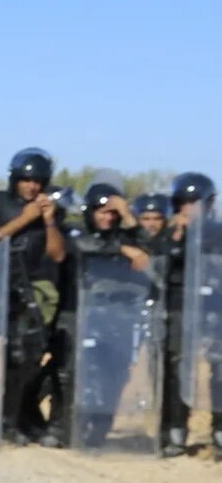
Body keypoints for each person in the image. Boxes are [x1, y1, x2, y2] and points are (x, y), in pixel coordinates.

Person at [0, 147, 69, 447]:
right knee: (2, 359)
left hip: (36, 294)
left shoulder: (52, 210)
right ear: (15, 179)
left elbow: (57, 254)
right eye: (27, 180)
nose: (33, 187)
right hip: (0, 289)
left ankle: (18, 418)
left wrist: (47, 221)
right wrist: (26, 217)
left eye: (39, 182)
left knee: (29, 359)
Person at [61, 183, 157, 449]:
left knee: (116, 377)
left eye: (112, 214)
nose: (108, 218)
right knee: (81, 374)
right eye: (102, 212)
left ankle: (98, 433)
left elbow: (151, 250)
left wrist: (129, 218)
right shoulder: (77, 231)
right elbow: (84, 245)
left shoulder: (127, 236)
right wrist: (123, 250)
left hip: (123, 319)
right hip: (85, 316)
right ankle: (68, 427)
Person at [160, 172, 219, 457]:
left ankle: (218, 431)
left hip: (215, 307)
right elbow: (159, 267)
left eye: (195, 203)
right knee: (176, 366)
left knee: (219, 366)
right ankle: (174, 430)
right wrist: (177, 236)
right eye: (184, 203)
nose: (189, 209)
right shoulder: (169, 235)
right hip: (179, 307)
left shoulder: (218, 233)